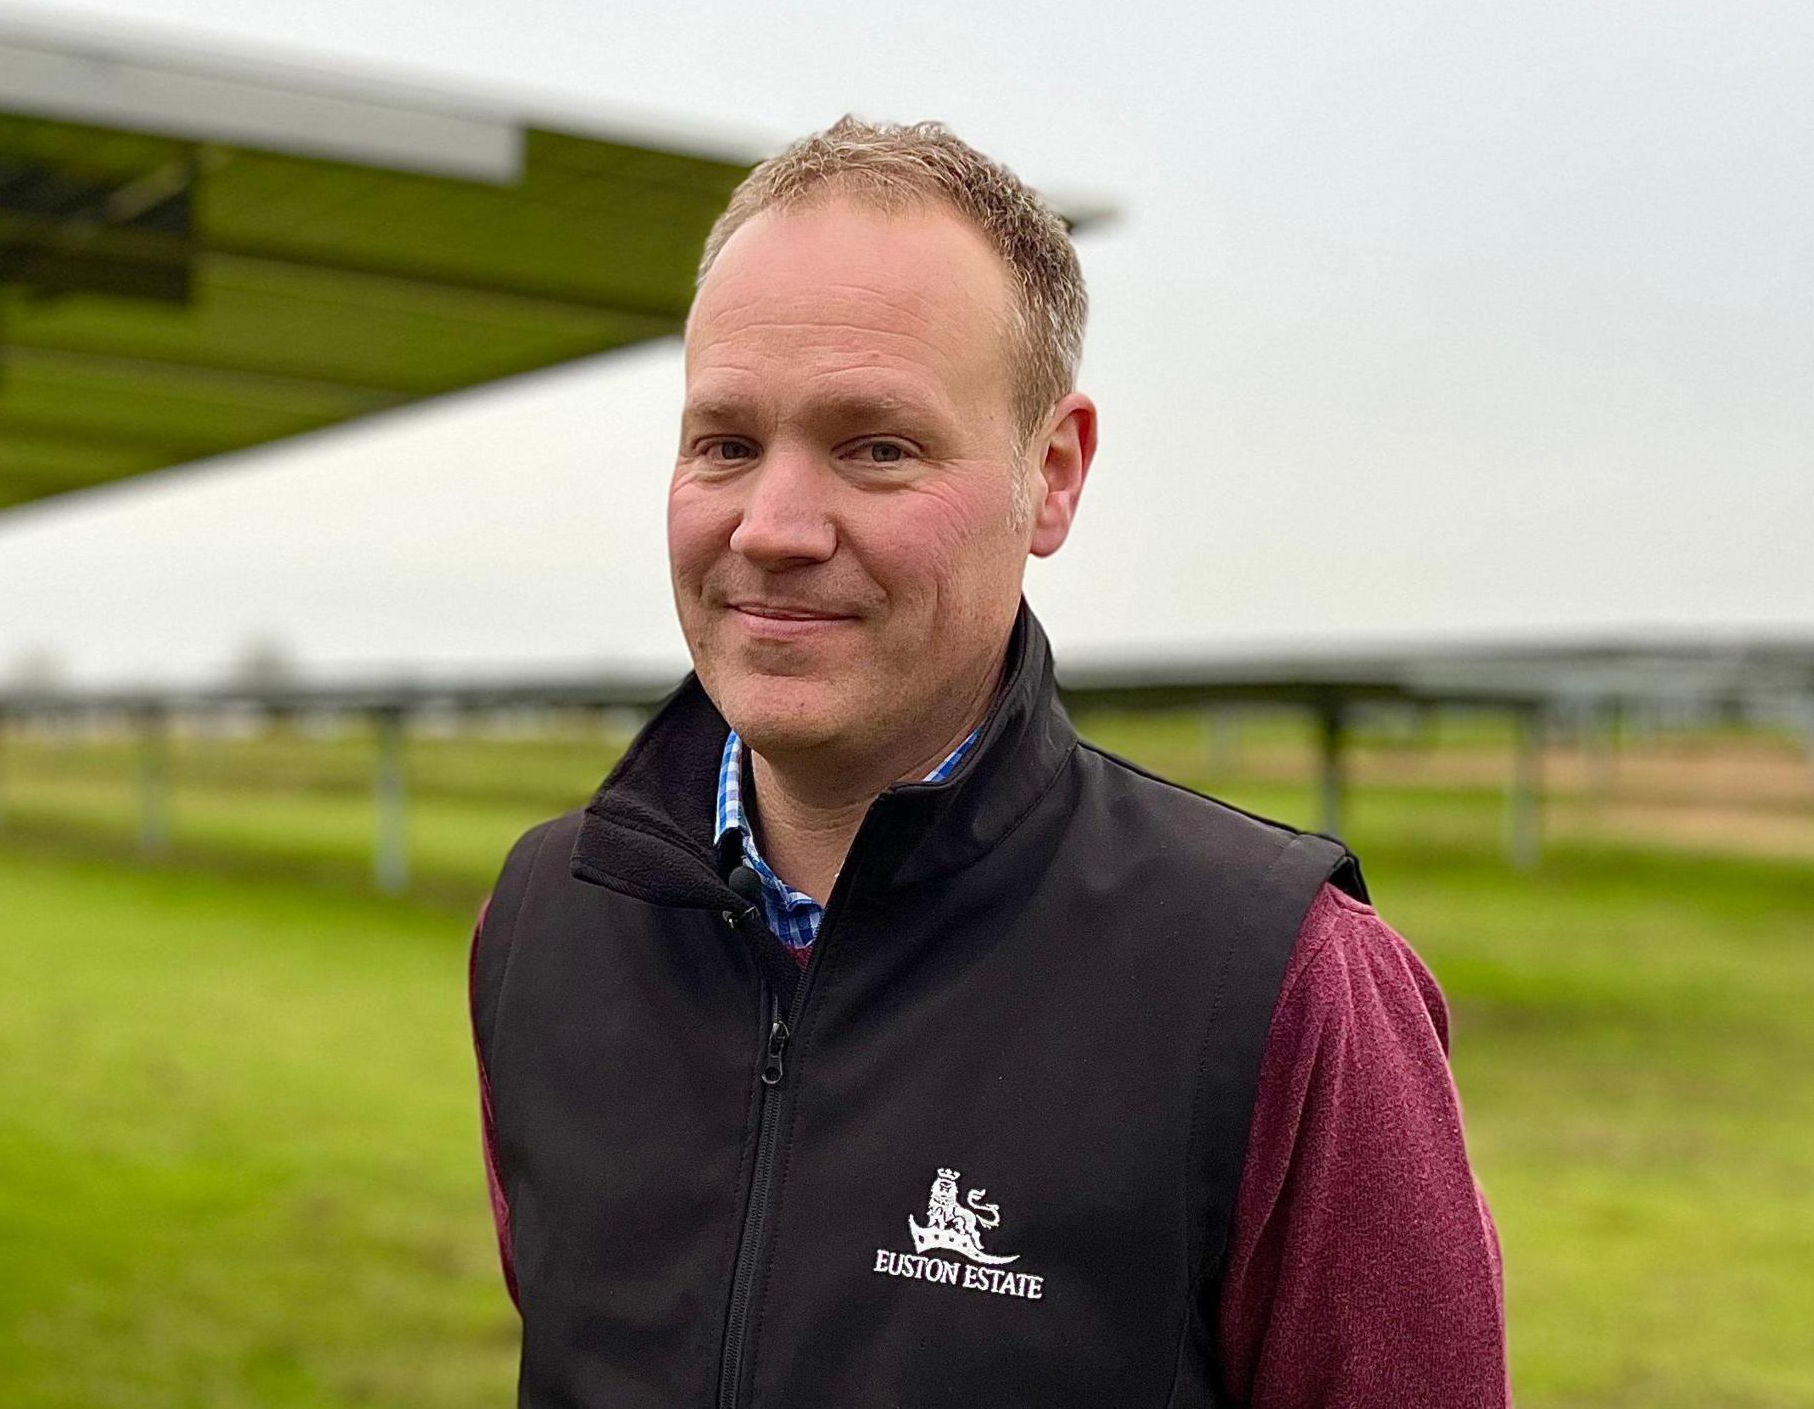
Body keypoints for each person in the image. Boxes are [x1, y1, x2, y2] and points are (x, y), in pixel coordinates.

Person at [467, 116, 1507, 1408]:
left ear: (1052, 475)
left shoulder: (1283, 984)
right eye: (726, 442)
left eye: (877, 447)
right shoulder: (548, 924)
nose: (774, 527)